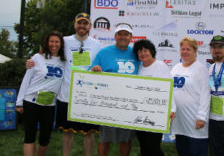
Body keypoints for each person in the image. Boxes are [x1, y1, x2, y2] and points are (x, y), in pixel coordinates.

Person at [26, 13, 102, 156]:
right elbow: (49, 51)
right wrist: (33, 60)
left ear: (90, 26)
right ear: (74, 25)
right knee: (67, 132)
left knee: (89, 133)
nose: (82, 26)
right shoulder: (65, 41)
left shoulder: (97, 45)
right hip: (66, 94)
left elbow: (100, 64)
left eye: (85, 23)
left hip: (88, 96)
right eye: (79, 23)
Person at [91, 23, 140, 156]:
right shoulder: (103, 52)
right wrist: (95, 70)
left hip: (129, 103)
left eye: (126, 34)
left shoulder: (136, 54)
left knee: (125, 139)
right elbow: (92, 75)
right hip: (108, 103)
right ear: (115, 36)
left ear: (131, 37)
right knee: (104, 139)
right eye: (120, 34)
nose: (122, 37)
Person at [16, 31, 66, 156]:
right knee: (30, 136)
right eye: (51, 41)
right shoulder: (37, 58)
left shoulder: (64, 61)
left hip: (49, 104)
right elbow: (26, 80)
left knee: (45, 138)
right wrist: (19, 102)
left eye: (57, 42)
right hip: (31, 101)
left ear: (61, 44)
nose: (54, 44)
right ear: (47, 43)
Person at [170, 37, 211, 156]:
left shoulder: (201, 69)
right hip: (180, 122)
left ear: (195, 51)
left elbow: (206, 94)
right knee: (182, 151)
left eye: (188, 49)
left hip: (195, 122)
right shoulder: (176, 68)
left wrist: (202, 117)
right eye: (183, 49)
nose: (185, 51)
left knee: (196, 152)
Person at [132, 39, 171, 156]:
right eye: (140, 51)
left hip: (156, 114)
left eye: (145, 50)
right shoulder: (138, 68)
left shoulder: (160, 66)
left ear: (152, 51)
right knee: (143, 146)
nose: (143, 53)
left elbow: (169, 88)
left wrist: (171, 108)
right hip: (140, 113)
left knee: (153, 147)